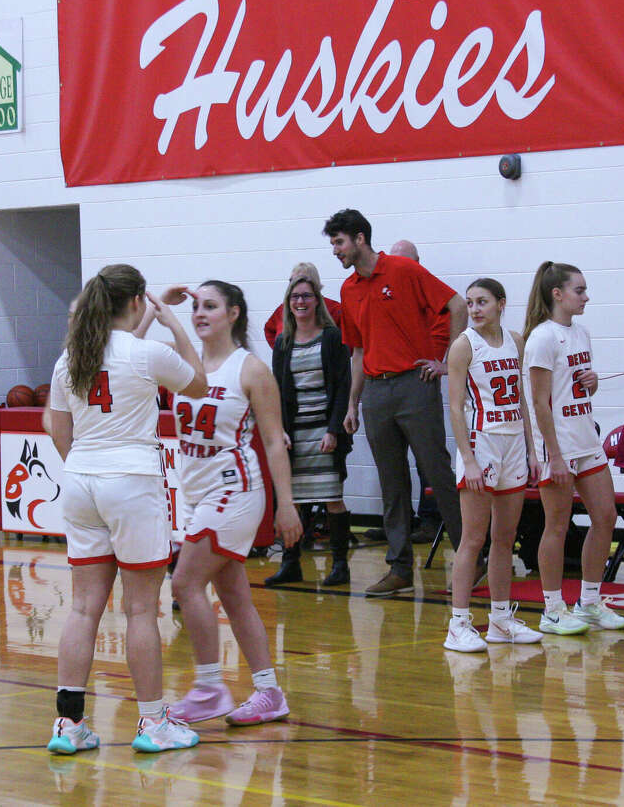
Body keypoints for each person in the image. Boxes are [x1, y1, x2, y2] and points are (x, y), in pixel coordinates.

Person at [44, 264, 208, 755]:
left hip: (80, 478)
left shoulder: (70, 358)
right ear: (137, 301)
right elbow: (197, 383)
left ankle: (68, 725)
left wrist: (149, 314)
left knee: (82, 606)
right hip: (131, 481)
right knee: (140, 608)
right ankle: (154, 723)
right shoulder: (146, 354)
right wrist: (173, 320)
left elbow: (57, 427)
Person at [168, 281, 305, 724]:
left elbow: (273, 441)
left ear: (234, 314)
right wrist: (158, 305)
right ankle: (269, 693)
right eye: (195, 307)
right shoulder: (184, 366)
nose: (200, 313)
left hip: (235, 489)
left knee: (185, 584)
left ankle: (209, 687)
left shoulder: (250, 369)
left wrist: (287, 505)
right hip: (194, 489)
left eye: (211, 306)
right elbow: (128, 345)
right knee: (234, 595)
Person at [325, 209, 468, 596]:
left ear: (359, 238)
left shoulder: (403, 270)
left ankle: (471, 558)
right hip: (375, 390)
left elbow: (457, 305)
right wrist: (353, 405)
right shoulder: (348, 289)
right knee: (392, 483)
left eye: (339, 242)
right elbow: (357, 351)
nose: (335, 251)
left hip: (414, 384)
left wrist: (448, 363)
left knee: (437, 473)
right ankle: (399, 567)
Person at [523, 262, 624, 635]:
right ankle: (553, 609)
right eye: (579, 290)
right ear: (557, 294)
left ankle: (589, 601)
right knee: (557, 524)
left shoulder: (581, 333)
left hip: (586, 439)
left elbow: (576, 388)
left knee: (606, 515)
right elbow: (538, 403)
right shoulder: (541, 338)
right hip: (559, 445)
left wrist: (593, 381)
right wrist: (552, 454)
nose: (586, 297)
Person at [443, 278, 542, 652]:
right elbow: (454, 408)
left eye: (482, 301)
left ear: (501, 303)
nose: (474, 309)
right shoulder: (463, 346)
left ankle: (500, 619)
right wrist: (467, 458)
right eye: (470, 302)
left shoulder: (517, 341)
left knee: (505, 537)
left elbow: (524, 401)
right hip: (481, 443)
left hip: (514, 441)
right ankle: (458, 623)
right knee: (474, 538)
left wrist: (533, 450)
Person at [267, 273, 355, 587]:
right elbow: (275, 389)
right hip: (295, 432)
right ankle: (291, 563)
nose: (300, 302)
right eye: (295, 297)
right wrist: (279, 430)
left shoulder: (332, 336)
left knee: (333, 498)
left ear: (317, 301)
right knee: (292, 500)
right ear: (288, 304)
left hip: (324, 432)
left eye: (306, 296)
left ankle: (340, 566)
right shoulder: (283, 342)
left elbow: (343, 386)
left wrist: (334, 430)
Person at [389, 239, 451, 544]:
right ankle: (403, 524)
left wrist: (437, 362)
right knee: (393, 461)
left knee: (428, 459)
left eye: (406, 261)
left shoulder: (428, 292)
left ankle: (432, 518)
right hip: (389, 385)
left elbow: (446, 325)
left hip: (420, 382)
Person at [263, 262, 343, 348]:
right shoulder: (283, 309)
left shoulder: (335, 309)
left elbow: (348, 341)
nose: (294, 284)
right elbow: (269, 330)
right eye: (291, 281)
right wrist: (280, 351)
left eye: (300, 280)